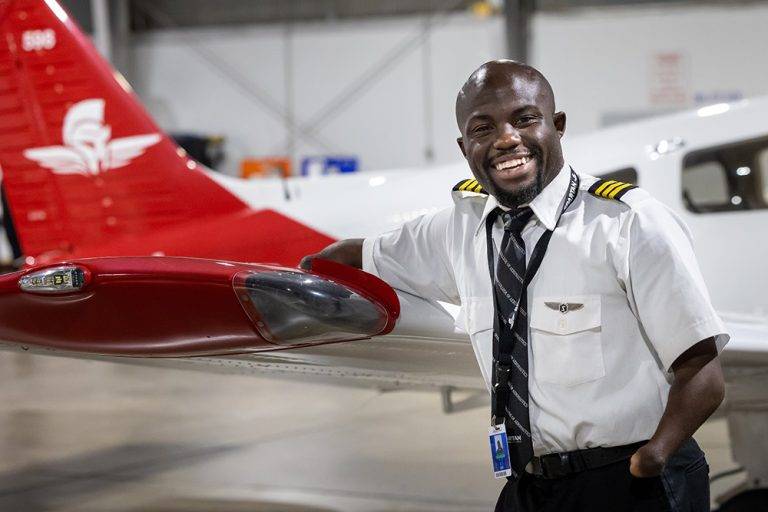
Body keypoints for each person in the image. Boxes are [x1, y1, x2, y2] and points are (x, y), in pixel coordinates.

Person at [300, 60, 728, 511]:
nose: (506, 139)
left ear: (557, 125)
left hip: (632, 480)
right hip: (530, 485)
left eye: (525, 119)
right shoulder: (458, 230)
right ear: (465, 147)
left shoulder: (627, 224)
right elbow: (360, 256)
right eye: (484, 128)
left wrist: (652, 458)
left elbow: (702, 370)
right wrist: (306, 276)